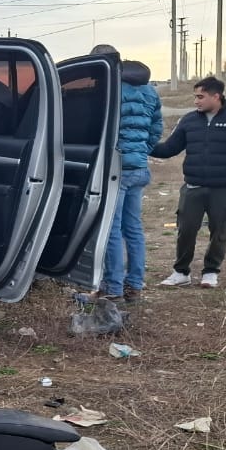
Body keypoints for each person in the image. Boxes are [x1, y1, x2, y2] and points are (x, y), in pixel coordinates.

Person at [153, 77, 226, 289]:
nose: (196, 101)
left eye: (200, 97)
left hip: (223, 187)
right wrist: (142, 144)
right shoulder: (188, 121)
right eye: (195, 97)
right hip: (193, 187)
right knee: (186, 229)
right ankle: (181, 272)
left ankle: (211, 272)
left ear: (216, 96)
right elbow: (169, 149)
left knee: (219, 231)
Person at [90, 44, 162, 303]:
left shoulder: (109, 88)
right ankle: (134, 286)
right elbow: (156, 129)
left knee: (110, 228)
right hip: (139, 168)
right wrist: (141, 153)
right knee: (133, 228)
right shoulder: (149, 91)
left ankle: (113, 288)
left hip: (116, 168)